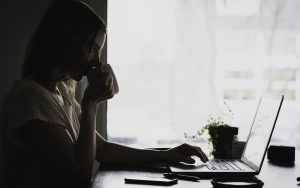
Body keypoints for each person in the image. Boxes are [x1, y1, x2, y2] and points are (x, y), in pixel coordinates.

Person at [0, 0, 208, 187]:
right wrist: (90, 103)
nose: (97, 61)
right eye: (92, 48)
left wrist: (166, 154)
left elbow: (102, 149)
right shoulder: (30, 97)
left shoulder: (61, 93)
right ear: (65, 39)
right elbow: (80, 171)